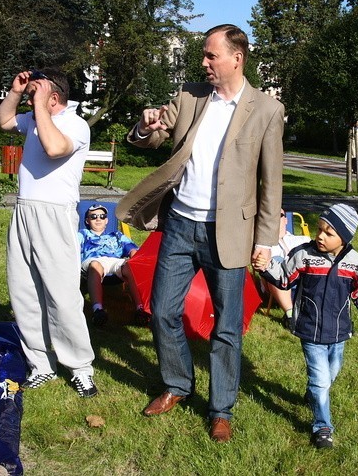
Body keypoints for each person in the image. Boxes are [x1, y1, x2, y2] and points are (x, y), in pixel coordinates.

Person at [116, 24, 285, 442]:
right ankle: (177, 384)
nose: (204, 63)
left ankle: (221, 409)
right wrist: (145, 124)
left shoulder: (265, 109)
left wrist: (264, 241)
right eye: (204, 56)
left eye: (211, 56)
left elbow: (271, 182)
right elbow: (151, 138)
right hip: (179, 225)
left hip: (228, 232)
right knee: (162, 309)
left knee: (226, 327)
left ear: (236, 58)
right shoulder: (190, 96)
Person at [0, 68, 98, 397]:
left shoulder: (75, 125)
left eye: (36, 93)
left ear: (54, 98)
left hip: (56, 215)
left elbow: (54, 149)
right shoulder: (33, 118)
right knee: (24, 292)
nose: (30, 98)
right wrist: (15, 92)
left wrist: (38, 106)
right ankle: (41, 365)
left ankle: (80, 367)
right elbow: (3, 121)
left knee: (62, 295)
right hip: (25, 210)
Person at [255, 203, 358, 449]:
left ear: (344, 238)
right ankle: (322, 427)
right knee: (321, 379)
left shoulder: (356, 265)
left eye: (329, 233)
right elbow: (283, 277)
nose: (320, 236)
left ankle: (313, 393)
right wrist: (266, 266)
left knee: (331, 372)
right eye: (320, 229)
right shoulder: (304, 255)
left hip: (338, 333)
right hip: (310, 330)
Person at [78, 204, 150, 327]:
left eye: (102, 216)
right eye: (93, 216)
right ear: (87, 221)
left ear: (107, 220)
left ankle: (140, 309)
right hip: (92, 260)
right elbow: (71, 248)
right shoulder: (83, 234)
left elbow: (132, 250)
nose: (98, 219)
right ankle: (98, 310)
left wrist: (136, 261)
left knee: (129, 266)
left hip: (114, 260)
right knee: (96, 266)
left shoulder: (116, 235)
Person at [262, 209, 310, 328]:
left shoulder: (303, 240)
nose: (275, 219)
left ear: (286, 220)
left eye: (280, 215)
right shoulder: (264, 246)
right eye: (272, 216)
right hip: (277, 284)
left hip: (303, 283)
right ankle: (290, 316)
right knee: (276, 261)